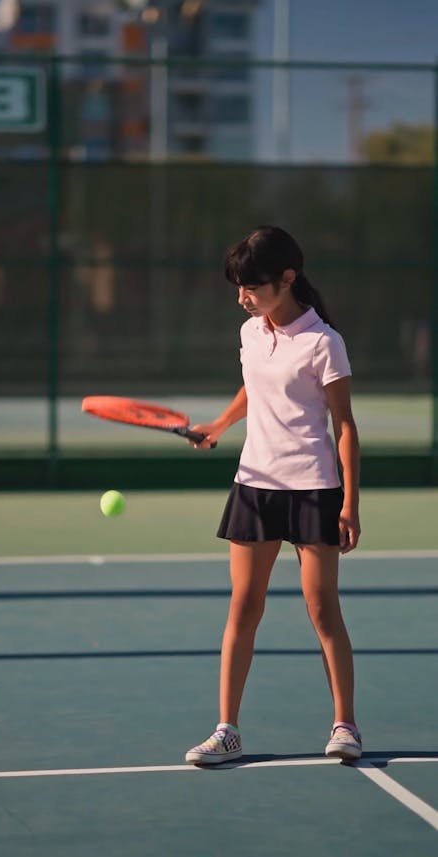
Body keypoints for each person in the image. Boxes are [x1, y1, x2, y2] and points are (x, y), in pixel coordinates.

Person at [184, 226, 361, 765]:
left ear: (287, 279)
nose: (243, 295)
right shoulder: (251, 332)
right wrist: (220, 423)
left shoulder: (323, 342)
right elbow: (253, 386)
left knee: (322, 609)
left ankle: (346, 725)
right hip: (254, 485)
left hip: (313, 489)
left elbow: (344, 424)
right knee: (244, 606)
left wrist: (351, 502)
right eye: (238, 286)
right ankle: (227, 730)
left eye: (252, 285)